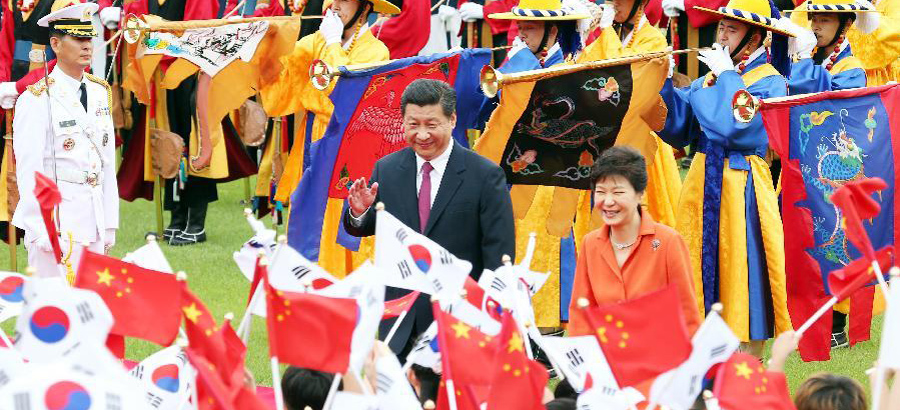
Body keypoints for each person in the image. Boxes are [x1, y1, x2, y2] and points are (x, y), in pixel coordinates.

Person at [342, 79, 516, 359]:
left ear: (452, 119)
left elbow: (500, 257)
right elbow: (364, 227)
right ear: (402, 122)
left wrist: (488, 316)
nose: (422, 135)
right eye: (413, 125)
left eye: (431, 125)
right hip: (399, 320)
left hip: (460, 321)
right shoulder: (387, 170)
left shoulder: (484, 176)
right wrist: (360, 212)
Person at [657, 0, 793, 356]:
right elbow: (680, 128)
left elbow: (738, 125)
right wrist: (664, 83)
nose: (722, 35)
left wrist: (727, 77)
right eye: (721, 27)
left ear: (756, 38)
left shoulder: (771, 82)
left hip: (742, 183)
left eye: (732, 29)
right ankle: (701, 347)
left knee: (743, 263)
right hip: (703, 178)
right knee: (698, 261)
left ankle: (748, 352)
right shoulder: (712, 77)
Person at [260, 0, 398, 274]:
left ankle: (350, 285)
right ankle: (305, 284)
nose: (335, 5)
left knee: (345, 214)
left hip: (353, 143)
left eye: (345, 0)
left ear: (365, 8)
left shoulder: (377, 51)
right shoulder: (312, 44)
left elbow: (345, 97)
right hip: (313, 141)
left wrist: (334, 43)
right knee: (307, 214)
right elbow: (278, 99)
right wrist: (267, 50)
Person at [11, 2, 117, 277]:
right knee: (53, 309)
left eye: (89, 38)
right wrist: (40, 227)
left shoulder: (98, 91)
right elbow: (29, 171)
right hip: (58, 219)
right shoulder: (36, 98)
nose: (87, 46)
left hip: (93, 215)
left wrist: (109, 224)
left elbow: (106, 163)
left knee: (90, 309)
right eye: (78, 38)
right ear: (56, 44)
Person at [567, 147, 701, 336]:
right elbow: (581, 317)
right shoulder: (591, 244)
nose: (608, 201)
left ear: (640, 194)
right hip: (606, 360)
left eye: (618, 192)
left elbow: (687, 317)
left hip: (660, 358)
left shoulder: (668, 242)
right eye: (601, 192)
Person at [577, 0, 683, 230]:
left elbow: (623, 83)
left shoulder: (653, 40)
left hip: (640, 140)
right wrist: (580, 35)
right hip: (606, 138)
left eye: (620, 0)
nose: (613, 4)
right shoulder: (611, 37)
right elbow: (583, 73)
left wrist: (604, 32)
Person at [783, 0, 879, 95]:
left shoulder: (853, 71)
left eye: (824, 20)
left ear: (847, 24)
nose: (815, 27)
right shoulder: (807, 55)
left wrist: (804, 56)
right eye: (814, 19)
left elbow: (826, 103)